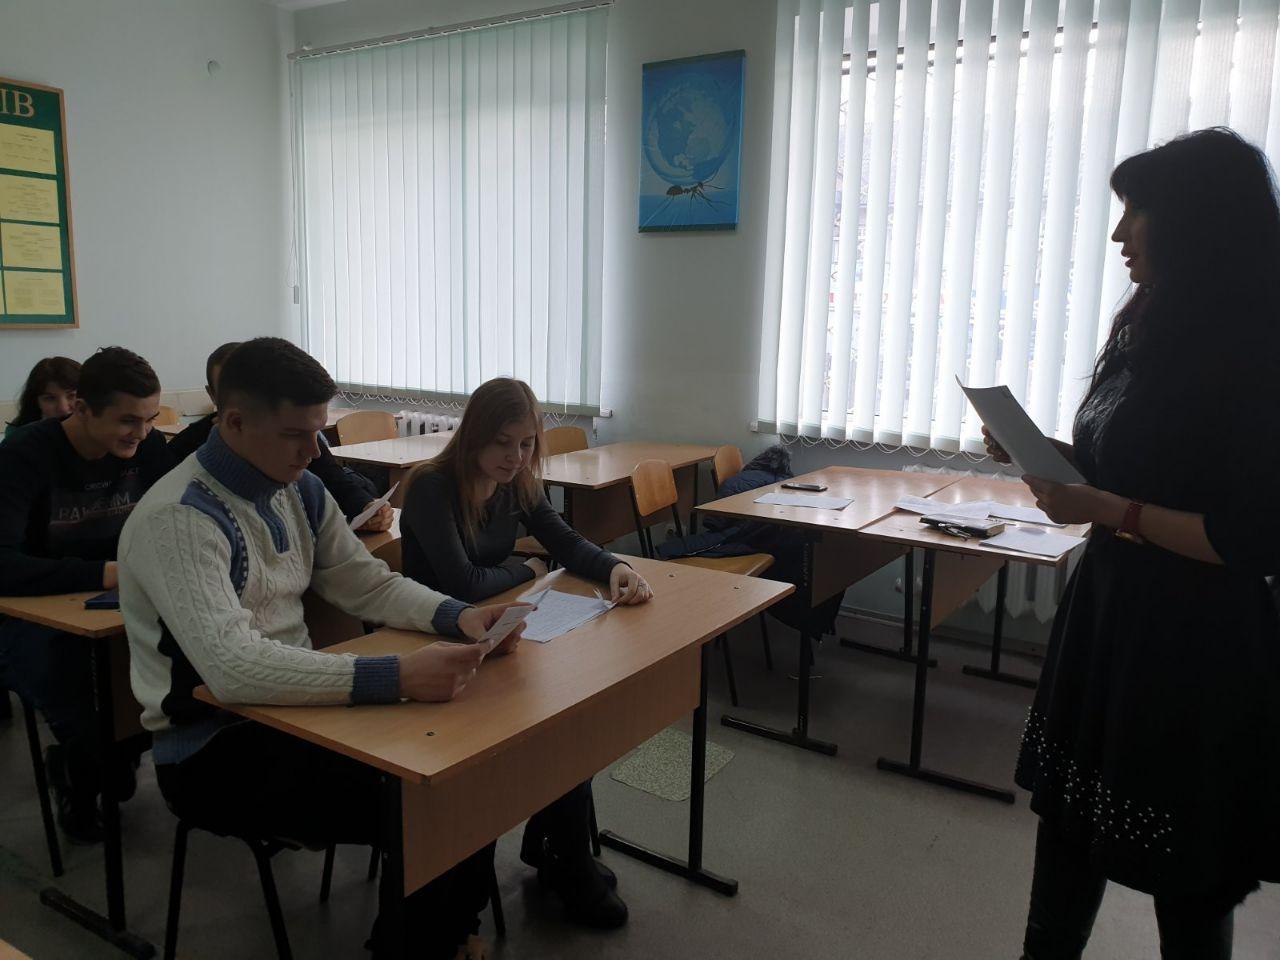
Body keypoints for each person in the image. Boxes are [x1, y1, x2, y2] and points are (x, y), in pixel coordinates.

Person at [120, 338, 527, 960]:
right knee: (431, 795)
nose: (315, 450)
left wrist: (460, 616)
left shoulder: (300, 488)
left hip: (298, 714)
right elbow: (232, 669)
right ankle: (422, 944)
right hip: (212, 745)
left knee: (466, 766)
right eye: (295, 434)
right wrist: (398, 676)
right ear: (235, 423)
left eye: (319, 430)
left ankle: (434, 937)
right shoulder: (178, 517)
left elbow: (367, 583)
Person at [980, 128, 1280, 960]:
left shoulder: (1255, 354)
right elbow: (1132, 468)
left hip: (1193, 648)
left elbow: (1249, 537)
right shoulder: (1148, 328)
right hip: (1108, 618)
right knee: (1069, 830)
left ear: (1197, 222)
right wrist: (1046, 454)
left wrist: (1107, 508)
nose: (1120, 233)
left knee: (1187, 871)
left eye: (1137, 211)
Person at [401, 377, 651, 930]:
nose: (515, 457)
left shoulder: (515, 483)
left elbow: (565, 542)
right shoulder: (431, 487)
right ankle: (565, 857)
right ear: (473, 436)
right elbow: (462, 584)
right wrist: (528, 569)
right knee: (548, 729)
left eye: (526, 444)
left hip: (496, 637)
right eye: (503, 443)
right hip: (433, 650)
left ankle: (557, 847)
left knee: (571, 715)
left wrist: (616, 567)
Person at [0, 347, 172, 841]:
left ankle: (105, 756)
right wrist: (105, 572)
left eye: (149, 419)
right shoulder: (25, 455)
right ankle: (79, 766)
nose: (141, 433)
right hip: (32, 614)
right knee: (82, 698)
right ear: (81, 408)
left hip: (117, 603)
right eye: (127, 420)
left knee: (160, 685)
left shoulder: (148, 448)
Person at [167, 341, 392, 533]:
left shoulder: (306, 480)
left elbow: (333, 477)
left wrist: (365, 507)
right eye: (227, 389)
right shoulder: (186, 459)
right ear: (213, 394)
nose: (311, 451)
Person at [4, 356, 81, 438]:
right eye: (50, 398)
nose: (63, 408)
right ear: (36, 402)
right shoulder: (18, 434)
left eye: (72, 395)